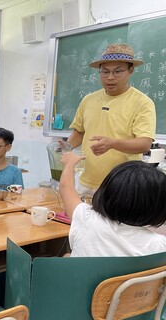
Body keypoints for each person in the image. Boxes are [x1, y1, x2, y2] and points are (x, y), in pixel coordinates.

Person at [67, 43, 156, 196]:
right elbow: (80, 132)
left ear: (131, 70)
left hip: (122, 184)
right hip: (86, 182)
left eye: (118, 71)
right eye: (105, 72)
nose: (110, 77)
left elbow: (144, 144)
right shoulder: (88, 100)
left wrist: (113, 143)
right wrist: (65, 146)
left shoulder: (142, 102)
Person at [60, 151, 166, 257]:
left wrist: (69, 164)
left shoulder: (86, 218)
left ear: (106, 191)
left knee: (67, 256)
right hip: (126, 273)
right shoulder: (160, 246)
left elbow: (65, 187)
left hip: (82, 273)